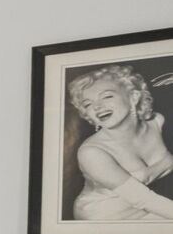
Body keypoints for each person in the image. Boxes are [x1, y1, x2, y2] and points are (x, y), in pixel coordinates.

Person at [68, 64, 173, 220]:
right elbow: (144, 199)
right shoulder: (91, 152)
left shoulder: (157, 122)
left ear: (133, 97)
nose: (97, 106)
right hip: (105, 216)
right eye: (88, 104)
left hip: (153, 205)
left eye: (107, 96)